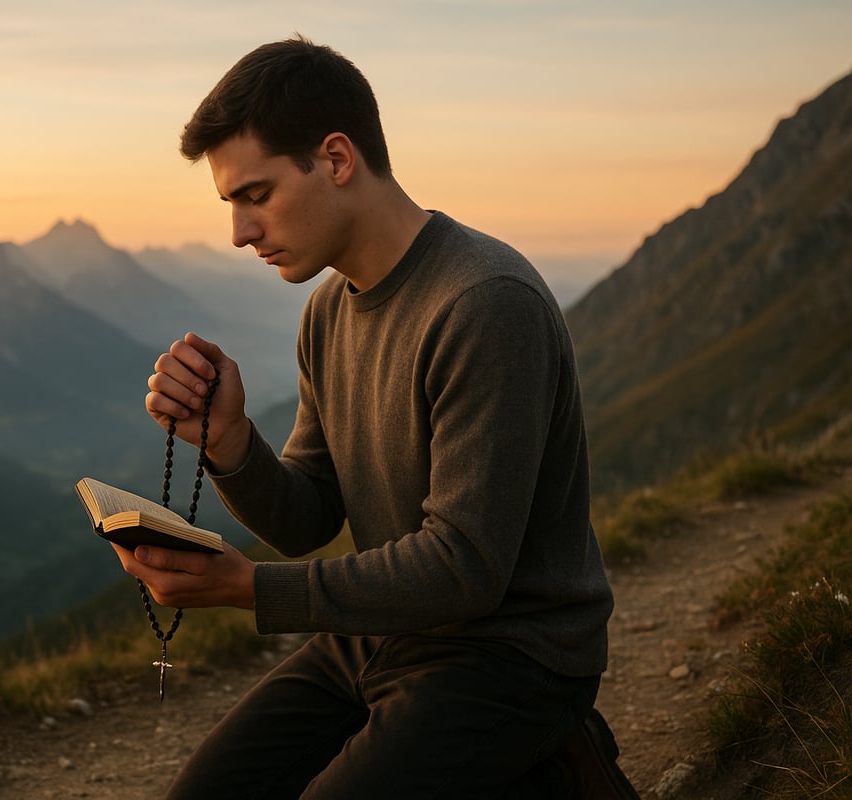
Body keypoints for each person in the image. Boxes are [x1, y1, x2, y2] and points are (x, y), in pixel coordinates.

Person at [111, 35, 640, 799]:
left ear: (335, 159)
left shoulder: (485, 302)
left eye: (255, 196)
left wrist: (247, 589)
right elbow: (308, 517)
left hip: (510, 655)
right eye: (232, 205)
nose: (240, 233)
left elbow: (465, 568)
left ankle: (552, 758)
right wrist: (228, 442)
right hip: (381, 635)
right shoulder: (328, 310)